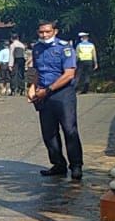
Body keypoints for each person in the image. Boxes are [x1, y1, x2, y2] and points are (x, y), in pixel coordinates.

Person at [28, 19, 82, 180]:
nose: (44, 35)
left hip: (62, 94)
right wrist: (32, 87)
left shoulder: (65, 48)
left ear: (55, 31)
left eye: (47, 32)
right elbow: (37, 71)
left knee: (69, 130)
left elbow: (69, 74)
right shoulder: (37, 48)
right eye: (41, 32)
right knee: (49, 133)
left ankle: (76, 166)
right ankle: (58, 164)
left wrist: (49, 90)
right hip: (43, 94)